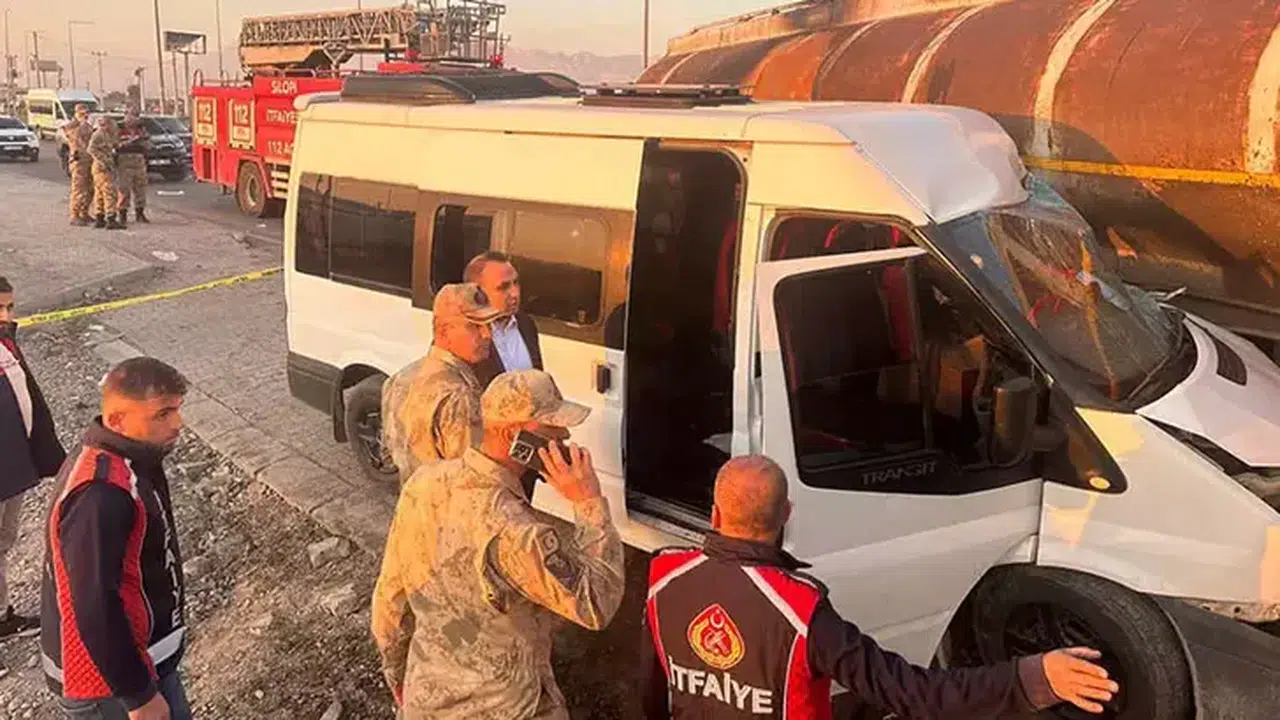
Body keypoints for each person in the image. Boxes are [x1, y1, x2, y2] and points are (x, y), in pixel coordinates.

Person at [641, 455, 1121, 719]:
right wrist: (1034, 677)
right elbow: (916, 694)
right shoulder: (800, 613)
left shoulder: (663, 580)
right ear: (786, 514)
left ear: (715, 514)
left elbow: (653, 693)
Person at [372, 369, 625, 719]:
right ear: (513, 436)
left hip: (426, 699)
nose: (564, 436)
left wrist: (398, 675)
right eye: (551, 428)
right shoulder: (518, 532)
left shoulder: (424, 483)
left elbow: (390, 597)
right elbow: (596, 604)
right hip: (509, 708)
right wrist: (588, 502)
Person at [40, 357, 192, 720]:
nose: (178, 424)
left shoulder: (128, 459)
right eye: (163, 414)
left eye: (177, 409)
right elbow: (93, 605)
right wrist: (138, 695)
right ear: (117, 420)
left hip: (139, 667)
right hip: (109, 689)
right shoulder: (101, 493)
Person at [382, 282, 503, 483]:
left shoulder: (398, 379)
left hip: (413, 496)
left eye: (489, 325)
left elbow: (390, 453)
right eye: (475, 326)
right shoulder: (460, 396)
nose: (487, 335)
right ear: (443, 331)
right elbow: (473, 479)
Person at [0, 277, 66, 646]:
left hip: (12, 464)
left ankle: (1, 617)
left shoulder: (6, 341)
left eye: (9, 307)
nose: (5, 315)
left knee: (4, 540)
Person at [465, 252, 543, 387]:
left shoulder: (526, 324)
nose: (515, 293)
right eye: (503, 287)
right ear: (478, 292)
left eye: (516, 283)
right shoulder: (463, 335)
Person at [115, 108, 151, 226]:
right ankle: (122, 214)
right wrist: (124, 143)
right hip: (124, 160)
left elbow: (148, 144)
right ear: (125, 116)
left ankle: (140, 213)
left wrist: (142, 142)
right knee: (124, 189)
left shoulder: (141, 129)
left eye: (136, 116)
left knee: (140, 188)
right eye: (130, 115)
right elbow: (112, 144)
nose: (133, 118)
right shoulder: (119, 128)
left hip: (138, 159)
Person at [87, 115, 123, 230]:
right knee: (109, 192)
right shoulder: (98, 134)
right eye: (111, 124)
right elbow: (91, 149)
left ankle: (100, 217)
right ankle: (111, 218)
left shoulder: (107, 135)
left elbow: (113, 145)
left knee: (100, 193)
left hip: (103, 167)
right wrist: (104, 160)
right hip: (102, 167)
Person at [62, 104, 95, 226]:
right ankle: (74, 215)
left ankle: (84, 212)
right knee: (79, 189)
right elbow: (76, 138)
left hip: (89, 160)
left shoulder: (87, 126)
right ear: (76, 113)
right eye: (82, 114)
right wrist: (82, 124)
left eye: (86, 113)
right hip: (79, 161)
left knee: (90, 189)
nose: (85, 116)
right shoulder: (71, 126)